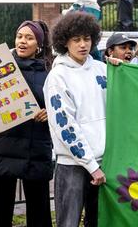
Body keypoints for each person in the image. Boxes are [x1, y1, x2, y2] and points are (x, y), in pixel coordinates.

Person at [0, 20, 53, 227]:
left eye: (29, 38)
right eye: (20, 36)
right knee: (0, 215)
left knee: (40, 214)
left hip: (36, 148)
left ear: (38, 44)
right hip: (4, 147)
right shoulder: (0, 65)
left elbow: (61, 105)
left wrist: (50, 113)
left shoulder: (51, 72)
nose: (22, 41)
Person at [44, 11, 108, 227]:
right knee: (68, 223)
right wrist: (91, 165)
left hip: (104, 161)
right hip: (72, 165)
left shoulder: (103, 70)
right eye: (76, 39)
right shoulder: (57, 77)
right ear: (65, 43)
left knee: (99, 222)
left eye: (87, 38)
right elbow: (65, 126)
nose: (83, 44)